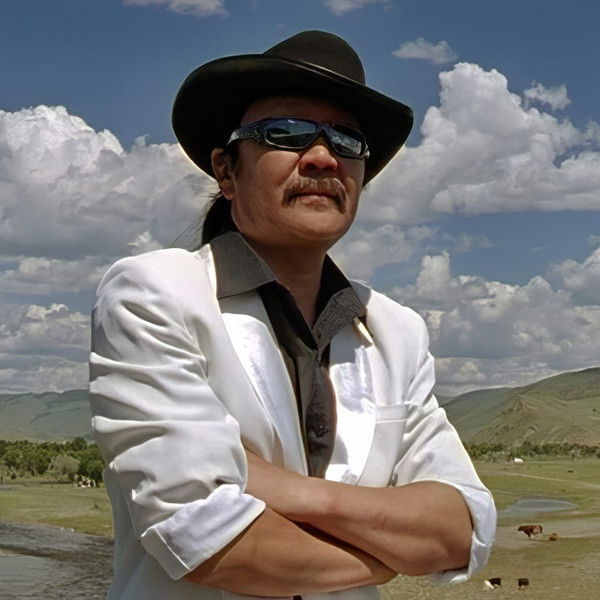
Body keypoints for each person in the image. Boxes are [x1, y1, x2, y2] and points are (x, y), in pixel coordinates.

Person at [89, 30, 496, 600]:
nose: (324, 157)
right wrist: (388, 556)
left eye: (348, 141)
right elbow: (207, 540)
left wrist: (283, 489)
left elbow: (461, 530)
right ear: (226, 171)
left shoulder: (396, 331)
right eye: (286, 133)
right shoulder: (157, 293)